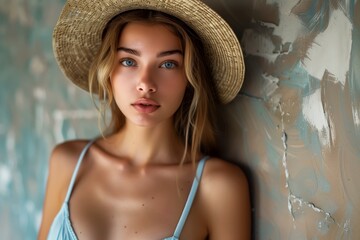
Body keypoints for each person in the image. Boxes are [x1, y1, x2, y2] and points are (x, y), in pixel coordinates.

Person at [38, 0, 250, 239]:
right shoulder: (68, 162)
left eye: (168, 64)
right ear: (108, 72)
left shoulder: (218, 186)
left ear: (189, 80)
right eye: (129, 61)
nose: (146, 84)